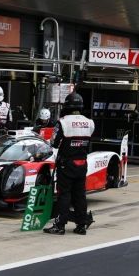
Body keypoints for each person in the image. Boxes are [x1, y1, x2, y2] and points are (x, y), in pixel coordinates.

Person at [44, 92, 95, 236]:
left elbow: (54, 143)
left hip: (66, 165)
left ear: (67, 106)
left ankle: (60, 226)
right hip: (82, 164)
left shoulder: (63, 122)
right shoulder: (90, 122)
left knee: (64, 195)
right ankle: (81, 225)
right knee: (80, 195)